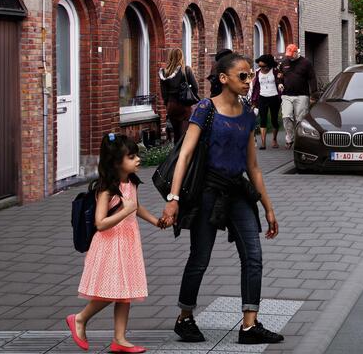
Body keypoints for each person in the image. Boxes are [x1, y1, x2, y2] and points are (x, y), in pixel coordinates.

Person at [160, 54, 283, 346]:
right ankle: (185, 317)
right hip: (207, 192)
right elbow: (185, 155)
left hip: (237, 193)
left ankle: (249, 325)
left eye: (250, 76)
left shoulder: (248, 114)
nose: (248, 81)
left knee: (253, 257)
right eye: (242, 76)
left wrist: (268, 207)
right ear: (224, 78)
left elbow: (252, 167)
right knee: (200, 258)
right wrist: (173, 198)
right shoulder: (205, 109)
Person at [67, 133, 162, 353]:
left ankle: (119, 339)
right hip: (109, 245)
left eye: (137, 155)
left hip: (128, 242)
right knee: (111, 291)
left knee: (124, 292)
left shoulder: (131, 182)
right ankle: (80, 319)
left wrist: (156, 221)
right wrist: (125, 210)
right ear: (117, 162)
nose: (137, 159)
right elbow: (100, 223)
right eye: (131, 156)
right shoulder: (107, 188)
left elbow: (135, 207)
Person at [276, 44, 318, 149]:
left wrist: (313, 94)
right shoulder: (284, 63)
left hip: (302, 95)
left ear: (296, 52)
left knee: (300, 119)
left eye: (291, 54)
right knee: (286, 116)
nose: (289, 57)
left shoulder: (306, 63)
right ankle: (289, 138)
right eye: (288, 55)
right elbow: (280, 75)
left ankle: (300, 140)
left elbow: (312, 78)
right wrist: (280, 83)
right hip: (286, 94)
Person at [159, 48, 199, 143]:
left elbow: (163, 93)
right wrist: (190, 96)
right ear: (181, 57)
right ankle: (183, 156)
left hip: (171, 105)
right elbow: (195, 87)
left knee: (176, 134)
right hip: (184, 106)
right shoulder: (186, 70)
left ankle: (175, 155)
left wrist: (167, 104)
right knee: (185, 135)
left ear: (170, 57)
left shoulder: (164, 72)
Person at [249, 54, 281, 150]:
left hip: (274, 97)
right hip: (262, 98)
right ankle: (263, 143)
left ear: (269, 65)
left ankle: (274, 140)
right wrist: (254, 101)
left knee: (274, 120)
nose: (262, 68)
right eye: (260, 66)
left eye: (264, 66)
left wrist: (281, 81)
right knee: (263, 119)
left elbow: (281, 81)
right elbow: (255, 88)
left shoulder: (275, 71)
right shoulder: (258, 72)